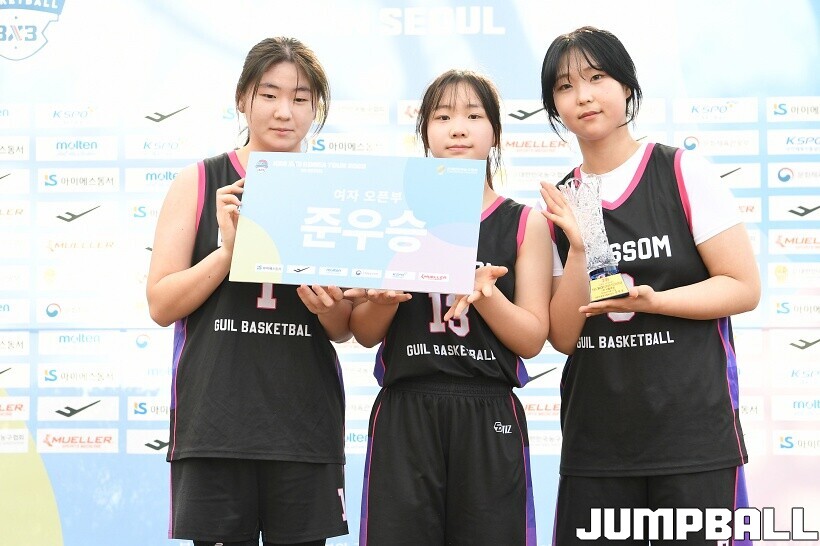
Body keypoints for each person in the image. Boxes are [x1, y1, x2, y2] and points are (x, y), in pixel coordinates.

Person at [538, 26, 760, 545]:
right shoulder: (560, 204)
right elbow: (564, 337)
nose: (583, 96)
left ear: (627, 86)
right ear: (553, 106)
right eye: (566, 86)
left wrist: (656, 301)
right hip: (597, 447)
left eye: (597, 78)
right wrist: (578, 248)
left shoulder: (681, 171)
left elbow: (743, 286)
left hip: (694, 439)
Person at [146, 37, 351, 546]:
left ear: (316, 108)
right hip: (214, 425)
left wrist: (329, 307)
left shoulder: (335, 189)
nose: (284, 112)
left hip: (304, 428)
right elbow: (161, 304)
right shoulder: (200, 181)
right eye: (269, 94)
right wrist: (228, 254)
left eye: (300, 98)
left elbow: (343, 329)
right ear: (242, 99)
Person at [345, 69, 552, 546]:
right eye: (442, 117)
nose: (458, 128)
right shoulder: (393, 214)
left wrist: (487, 295)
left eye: (473, 116)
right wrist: (385, 299)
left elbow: (531, 339)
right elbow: (365, 333)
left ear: (495, 132)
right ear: (425, 133)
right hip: (405, 408)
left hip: (488, 408)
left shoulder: (524, 222)